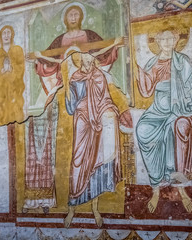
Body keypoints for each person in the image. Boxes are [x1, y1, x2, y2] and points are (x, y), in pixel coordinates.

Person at [23, 2, 131, 214]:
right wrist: (38, 56)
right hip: (75, 101)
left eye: (76, 13)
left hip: (92, 107)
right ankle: (73, 200)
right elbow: (51, 59)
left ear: (80, 16)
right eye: (69, 14)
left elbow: (101, 52)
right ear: (65, 18)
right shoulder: (62, 46)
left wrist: (116, 44)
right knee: (75, 153)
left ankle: (96, 196)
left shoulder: (90, 40)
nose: (72, 16)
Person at [135, 29, 192, 213]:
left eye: (171, 38)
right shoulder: (152, 62)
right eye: (163, 38)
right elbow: (146, 91)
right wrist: (135, 69)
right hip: (157, 109)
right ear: (158, 41)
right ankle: (155, 187)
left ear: (176, 41)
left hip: (179, 109)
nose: (167, 42)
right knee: (142, 130)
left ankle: (180, 187)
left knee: (173, 129)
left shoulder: (183, 61)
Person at [64, 51, 121, 228]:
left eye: (91, 59)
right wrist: (67, 88)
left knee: (97, 160)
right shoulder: (75, 76)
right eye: (85, 59)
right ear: (79, 60)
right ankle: (72, 209)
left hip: (98, 120)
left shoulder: (99, 76)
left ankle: (95, 208)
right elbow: (71, 107)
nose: (89, 62)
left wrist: (109, 111)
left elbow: (105, 99)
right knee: (78, 160)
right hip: (82, 118)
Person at [0, 25, 25, 126]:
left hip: (15, 91)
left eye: (8, 32)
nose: (6, 35)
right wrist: (1, 71)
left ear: (12, 35)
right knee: (0, 113)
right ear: (0, 36)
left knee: (16, 112)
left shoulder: (18, 50)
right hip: (0, 93)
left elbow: (21, 68)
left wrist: (12, 69)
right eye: (4, 33)